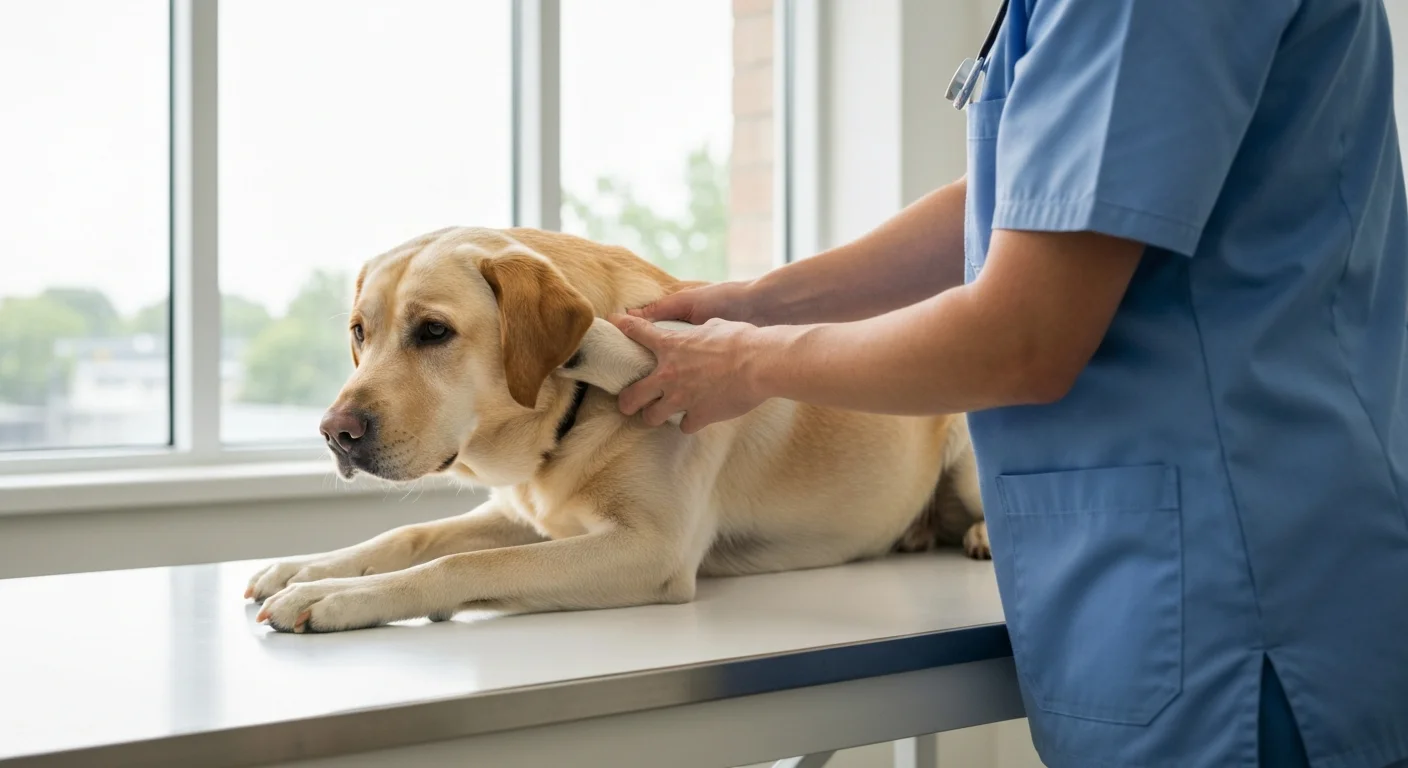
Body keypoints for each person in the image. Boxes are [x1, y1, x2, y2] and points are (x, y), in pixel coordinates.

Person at [606, 1, 1408, 767]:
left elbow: (1024, 337)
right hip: (1201, 573)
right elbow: (1025, 202)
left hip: (1233, 601)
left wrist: (753, 362)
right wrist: (759, 302)